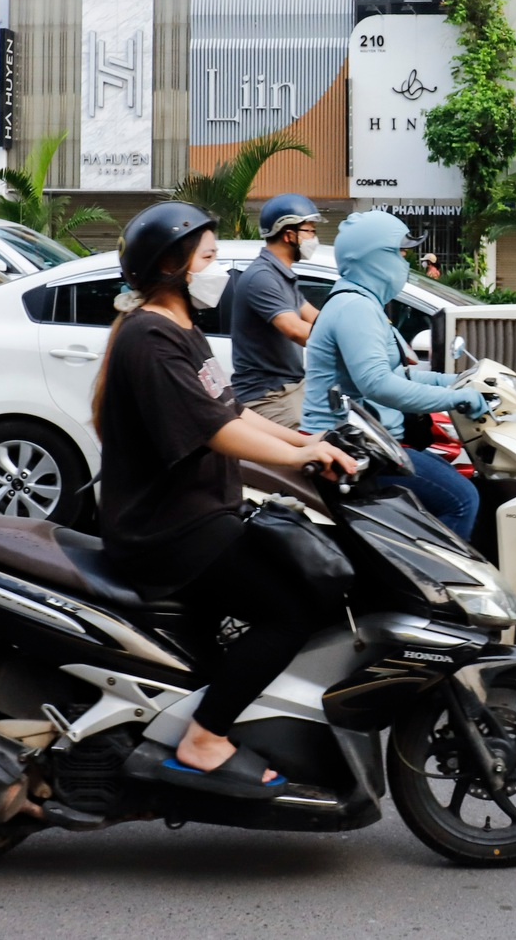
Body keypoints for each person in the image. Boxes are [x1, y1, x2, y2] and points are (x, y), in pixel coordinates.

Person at [92, 201, 354, 798]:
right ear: (173, 266)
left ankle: (205, 714)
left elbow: (231, 409)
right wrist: (300, 457)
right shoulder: (152, 337)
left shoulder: (179, 328)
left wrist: (308, 440)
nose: (219, 271)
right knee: (290, 609)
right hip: (167, 529)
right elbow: (213, 431)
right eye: (208, 257)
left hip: (197, 513)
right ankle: (204, 737)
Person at [302, 211, 487, 540]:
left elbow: (399, 374)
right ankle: (440, 586)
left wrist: (457, 383)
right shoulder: (354, 308)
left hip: (371, 443)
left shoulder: (363, 304)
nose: (406, 264)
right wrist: (455, 398)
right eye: (401, 254)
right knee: (462, 499)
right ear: (375, 257)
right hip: (351, 450)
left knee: (457, 478)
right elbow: (378, 385)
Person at [228, 194, 322, 428]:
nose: (314, 238)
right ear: (289, 235)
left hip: (289, 389)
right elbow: (295, 330)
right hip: (267, 396)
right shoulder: (262, 277)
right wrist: (340, 343)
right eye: (309, 231)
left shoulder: (281, 275)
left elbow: (317, 318)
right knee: (315, 454)